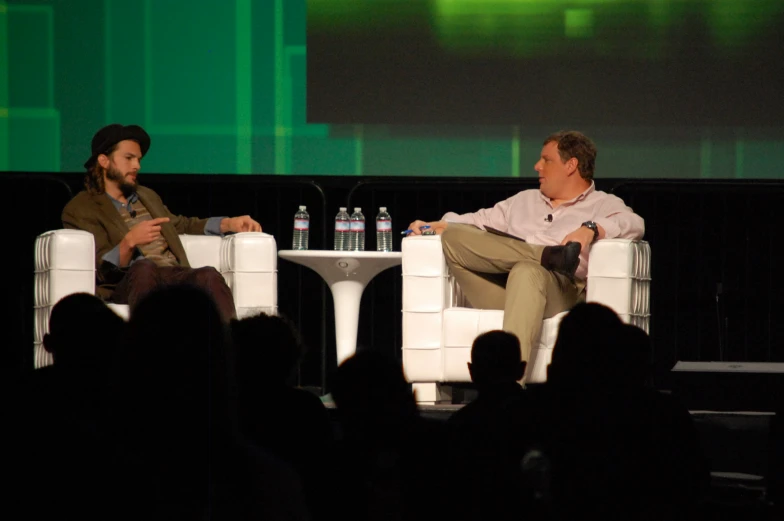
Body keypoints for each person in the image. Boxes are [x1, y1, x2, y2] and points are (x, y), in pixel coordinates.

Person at [406, 130, 644, 374]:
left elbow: (635, 224)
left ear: (571, 165)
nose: (537, 166)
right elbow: (476, 221)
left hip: (559, 287)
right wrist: (437, 225)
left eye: (546, 160)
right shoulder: (523, 200)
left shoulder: (602, 203)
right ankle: (547, 254)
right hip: (503, 285)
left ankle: (508, 383)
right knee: (454, 234)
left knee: (526, 271)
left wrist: (590, 228)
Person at [62, 123, 262, 322]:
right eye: (129, 158)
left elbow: (181, 224)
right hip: (130, 280)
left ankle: (231, 348)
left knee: (208, 275)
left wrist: (228, 224)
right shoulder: (81, 208)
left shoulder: (146, 196)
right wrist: (129, 242)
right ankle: (150, 349)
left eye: (138, 160)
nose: (136, 166)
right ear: (104, 160)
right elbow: (100, 268)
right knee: (144, 267)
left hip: (173, 274)